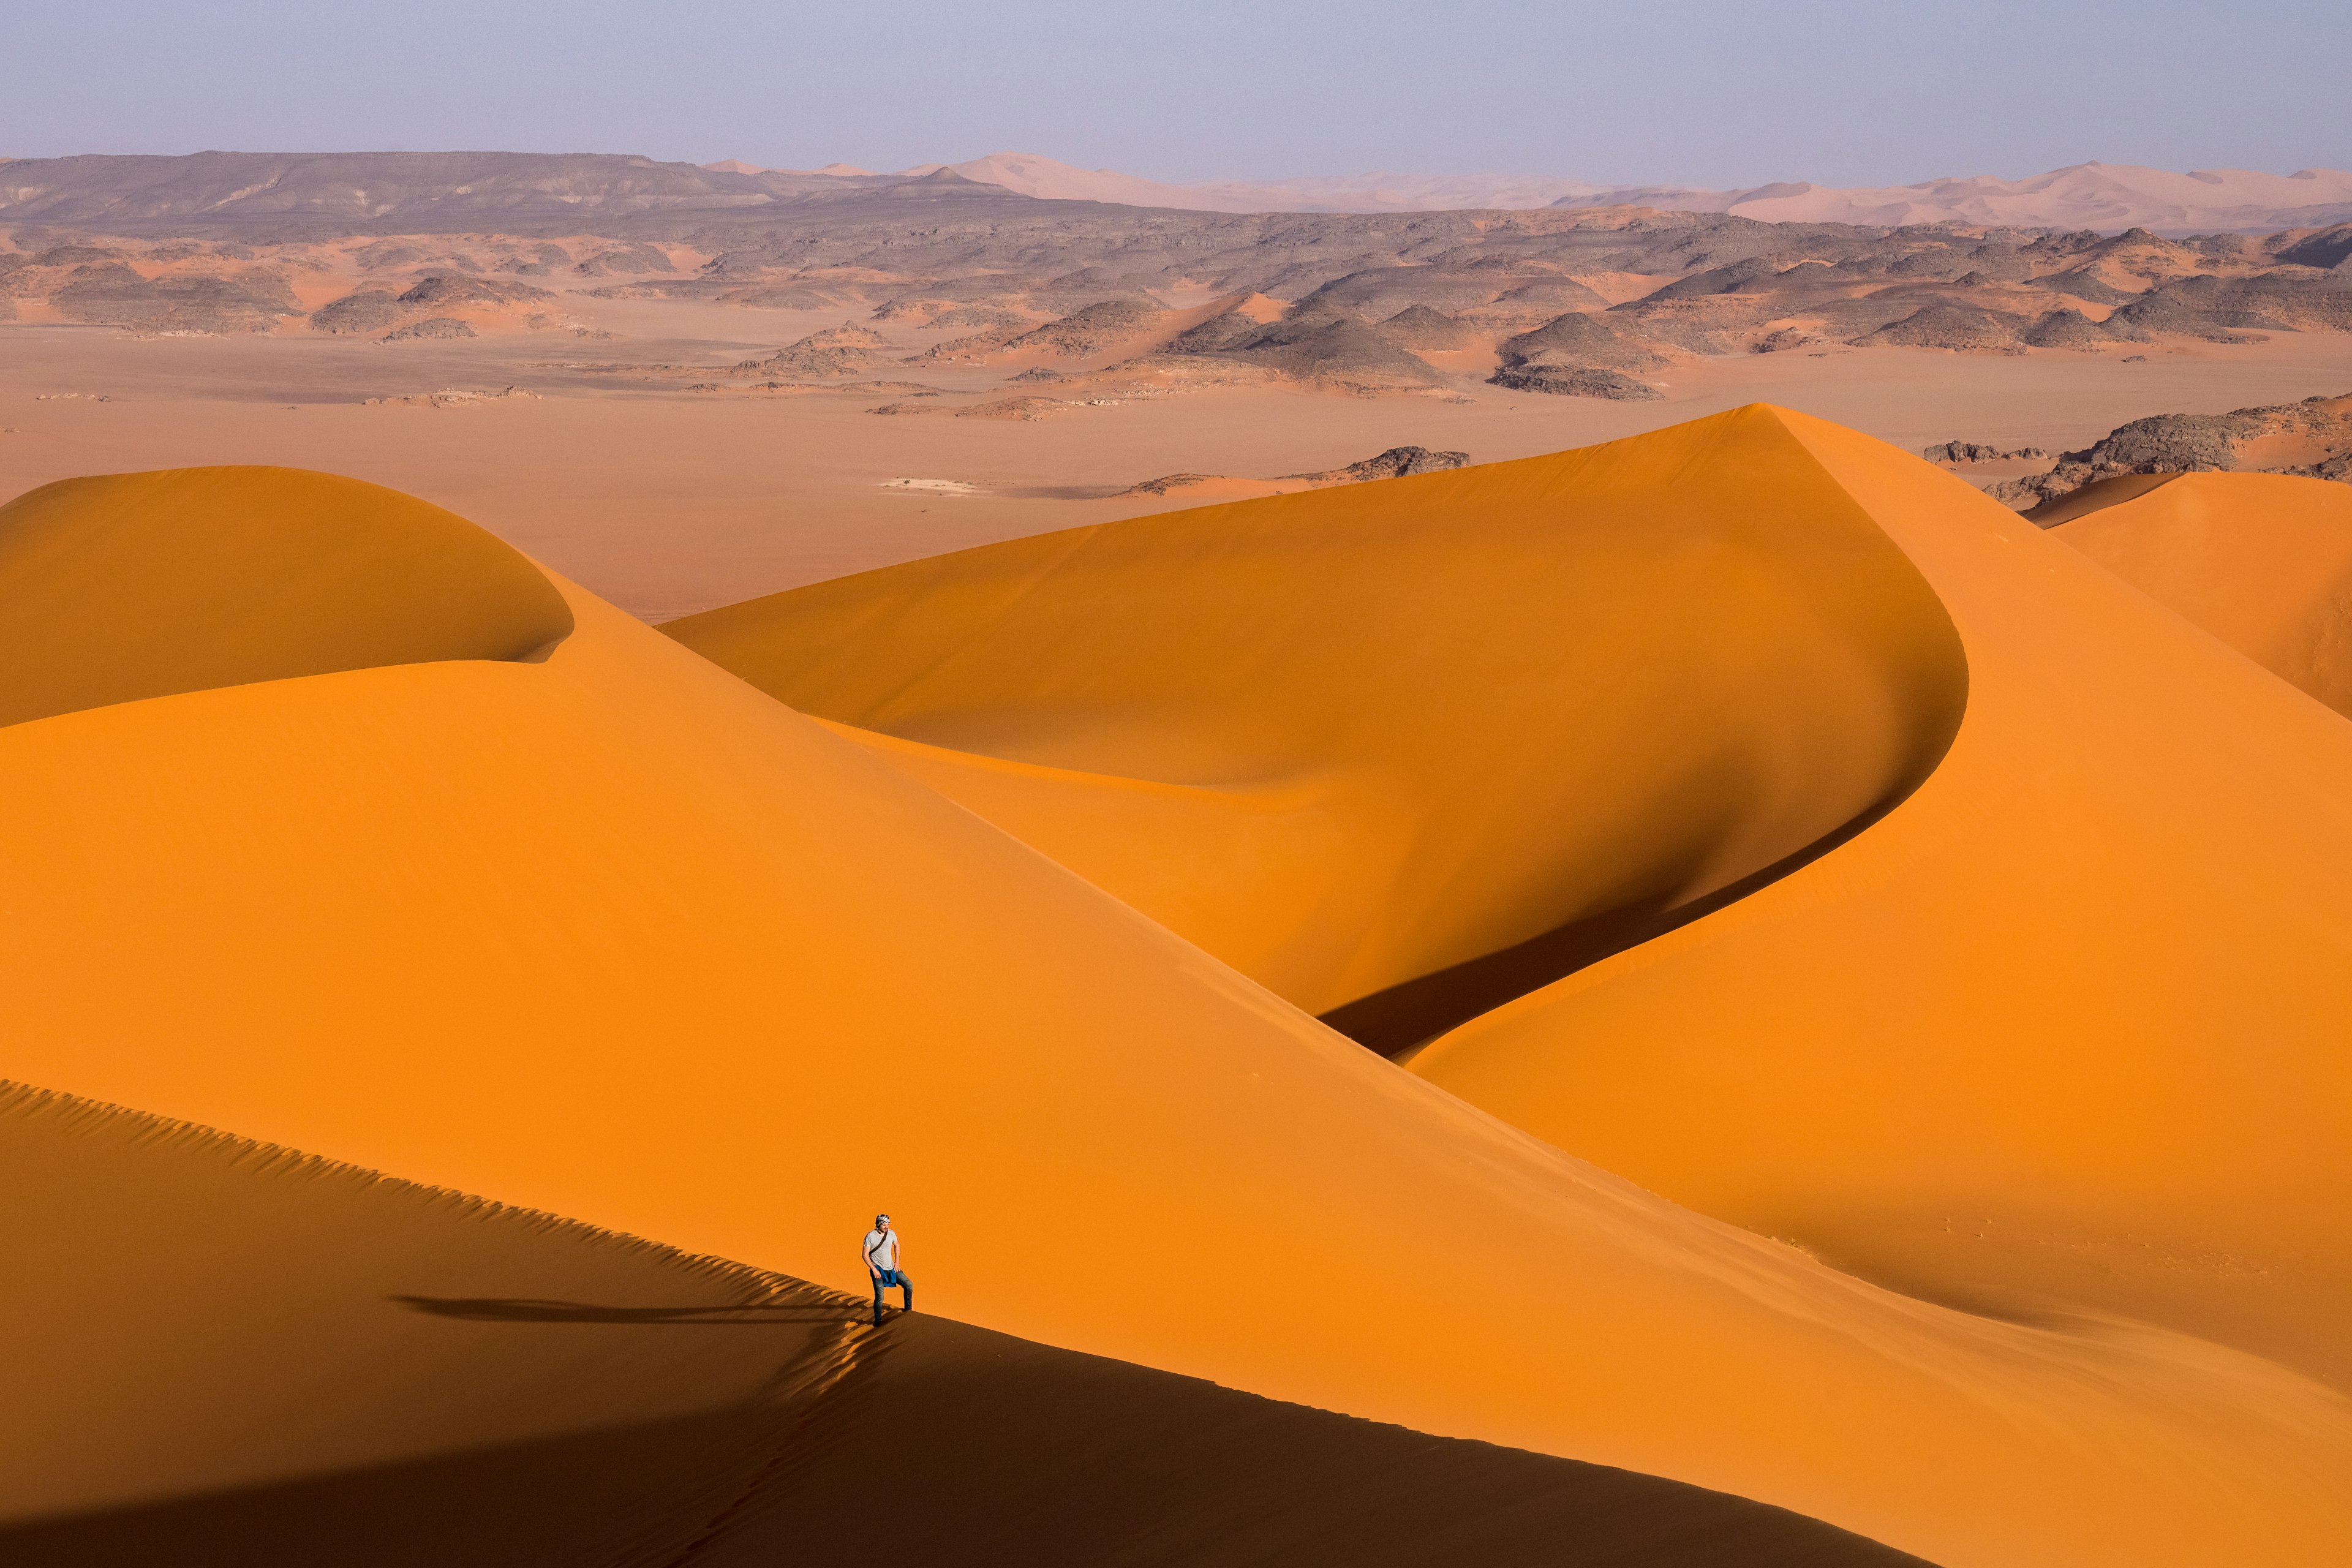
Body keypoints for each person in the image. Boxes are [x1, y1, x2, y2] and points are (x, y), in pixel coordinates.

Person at [862, 1213, 912, 1325]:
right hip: (878, 1270)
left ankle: (908, 1311)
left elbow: (897, 1245)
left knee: (909, 1285)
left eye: (888, 1224)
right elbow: (865, 1255)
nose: (886, 1227)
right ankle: (878, 1322)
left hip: (891, 1268)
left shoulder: (892, 1234)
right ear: (879, 1224)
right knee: (880, 1296)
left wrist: (897, 1261)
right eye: (884, 1224)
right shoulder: (870, 1236)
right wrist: (874, 1269)